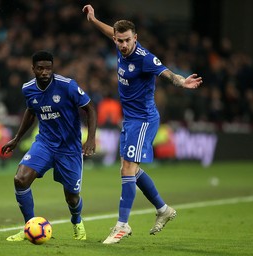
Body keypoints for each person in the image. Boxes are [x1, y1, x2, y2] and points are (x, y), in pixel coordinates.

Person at [82, 4, 203, 244]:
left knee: (128, 169)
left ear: (135, 38)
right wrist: (94, 20)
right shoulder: (119, 48)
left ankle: (122, 225)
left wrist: (181, 82)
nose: (123, 45)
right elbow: (110, 32)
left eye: (127, 40)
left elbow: (167, 72)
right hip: (130, 119)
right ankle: (163, 209)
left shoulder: (145, 58)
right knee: (129, 170)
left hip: (144, 120)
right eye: (119, 41)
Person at [1, 50, 97, 241]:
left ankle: (77, 220)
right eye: (40, 68)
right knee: (20, 179)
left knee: (72, 197)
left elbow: (90, 109)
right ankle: (30, 226)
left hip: (69, 148)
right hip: (45, 143)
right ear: (33, 69)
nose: (45, 72)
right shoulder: (28, 89)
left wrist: (91, 139)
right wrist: (17, 138)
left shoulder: (67, 86)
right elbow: (31, 111)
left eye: (48, 68)